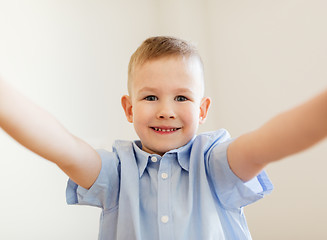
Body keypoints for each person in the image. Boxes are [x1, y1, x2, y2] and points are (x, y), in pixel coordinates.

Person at [0, 36, 326, 240]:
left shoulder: (214, 163)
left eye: (182, 98)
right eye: (151, 97)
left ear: (202, 110)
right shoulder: (115, 172)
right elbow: (62, 147)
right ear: (129, 108)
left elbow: (268, 142)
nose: (166, 111)